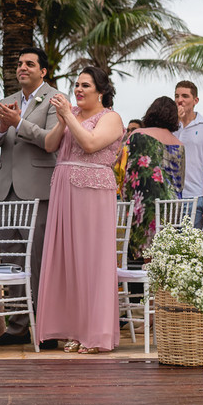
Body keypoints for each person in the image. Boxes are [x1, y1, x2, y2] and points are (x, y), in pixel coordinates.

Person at [36, 67, 125, 354]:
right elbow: (50, 144)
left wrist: (69, 117)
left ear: (101, 91)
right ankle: (74, 329)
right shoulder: (71, 113)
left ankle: (95, 332)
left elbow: (89, 144)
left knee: (91, 261)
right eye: (76, 84)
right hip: (63, 191)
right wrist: (63, 119)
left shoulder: (111, 118)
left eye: (85, 85)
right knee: (67, 260)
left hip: (93, 192)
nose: (79, 89)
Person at [0, 47, 59, 348]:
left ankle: (45, 326)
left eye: (29, 64)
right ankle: (17, 325)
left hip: (37, 190)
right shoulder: (8, 101)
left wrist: (18, 123)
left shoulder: (54, 99)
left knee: (37, 259)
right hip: (5, 191)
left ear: (44, 71)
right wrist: (1, 126)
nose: (22, 68)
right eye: (19, 63)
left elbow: (50, 140)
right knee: (11, 259)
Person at [121, 96, 184, 256]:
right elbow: (179, 184)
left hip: (141, 212)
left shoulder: (137, 134)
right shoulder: (179, 144)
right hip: (169, 215)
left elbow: (123, 170)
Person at [174, 81, 203, 228]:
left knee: (189, 248)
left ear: (195, 100)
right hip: (169, 198)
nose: (180, 100)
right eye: (177, 96)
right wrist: (175, 121)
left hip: (194, 197)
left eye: (185, 96)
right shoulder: (170, 127)